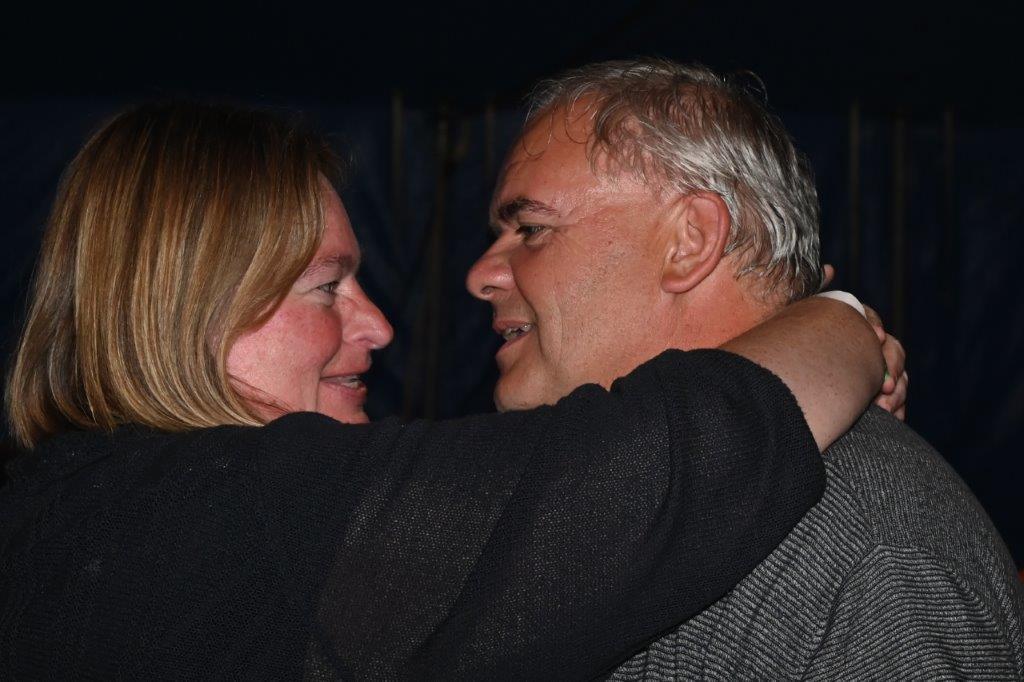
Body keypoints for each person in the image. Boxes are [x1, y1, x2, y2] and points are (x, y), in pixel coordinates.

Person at [0, 102, 888, 680]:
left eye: (532, 229)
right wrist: (843, 324)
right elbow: (627, 481)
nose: (379, 326)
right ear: (190, 308)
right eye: (326, 288)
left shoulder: (70, 509)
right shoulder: (213, 517)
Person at [467, 59, 1024, 678]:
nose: (480, 275)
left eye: (532, 228)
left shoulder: (856, 557)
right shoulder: (585, 499)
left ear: (691, 240)